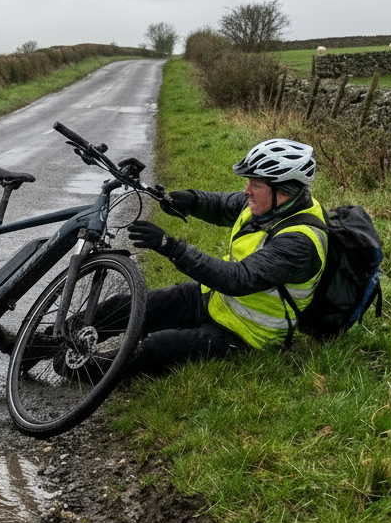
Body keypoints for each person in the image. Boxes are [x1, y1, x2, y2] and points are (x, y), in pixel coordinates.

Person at [97, 137, 329, 376]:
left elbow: (237, 279)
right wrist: (189, 200)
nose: (246, 190)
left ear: (283, 190)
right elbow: (221, 205)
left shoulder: (300, 242)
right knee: (129, 306)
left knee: (152, 348)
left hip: (246, 335)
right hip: (215, 301)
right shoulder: (269, 205)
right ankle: (68, 333)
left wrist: (170, 247)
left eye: (256, 184)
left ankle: (82, 367)